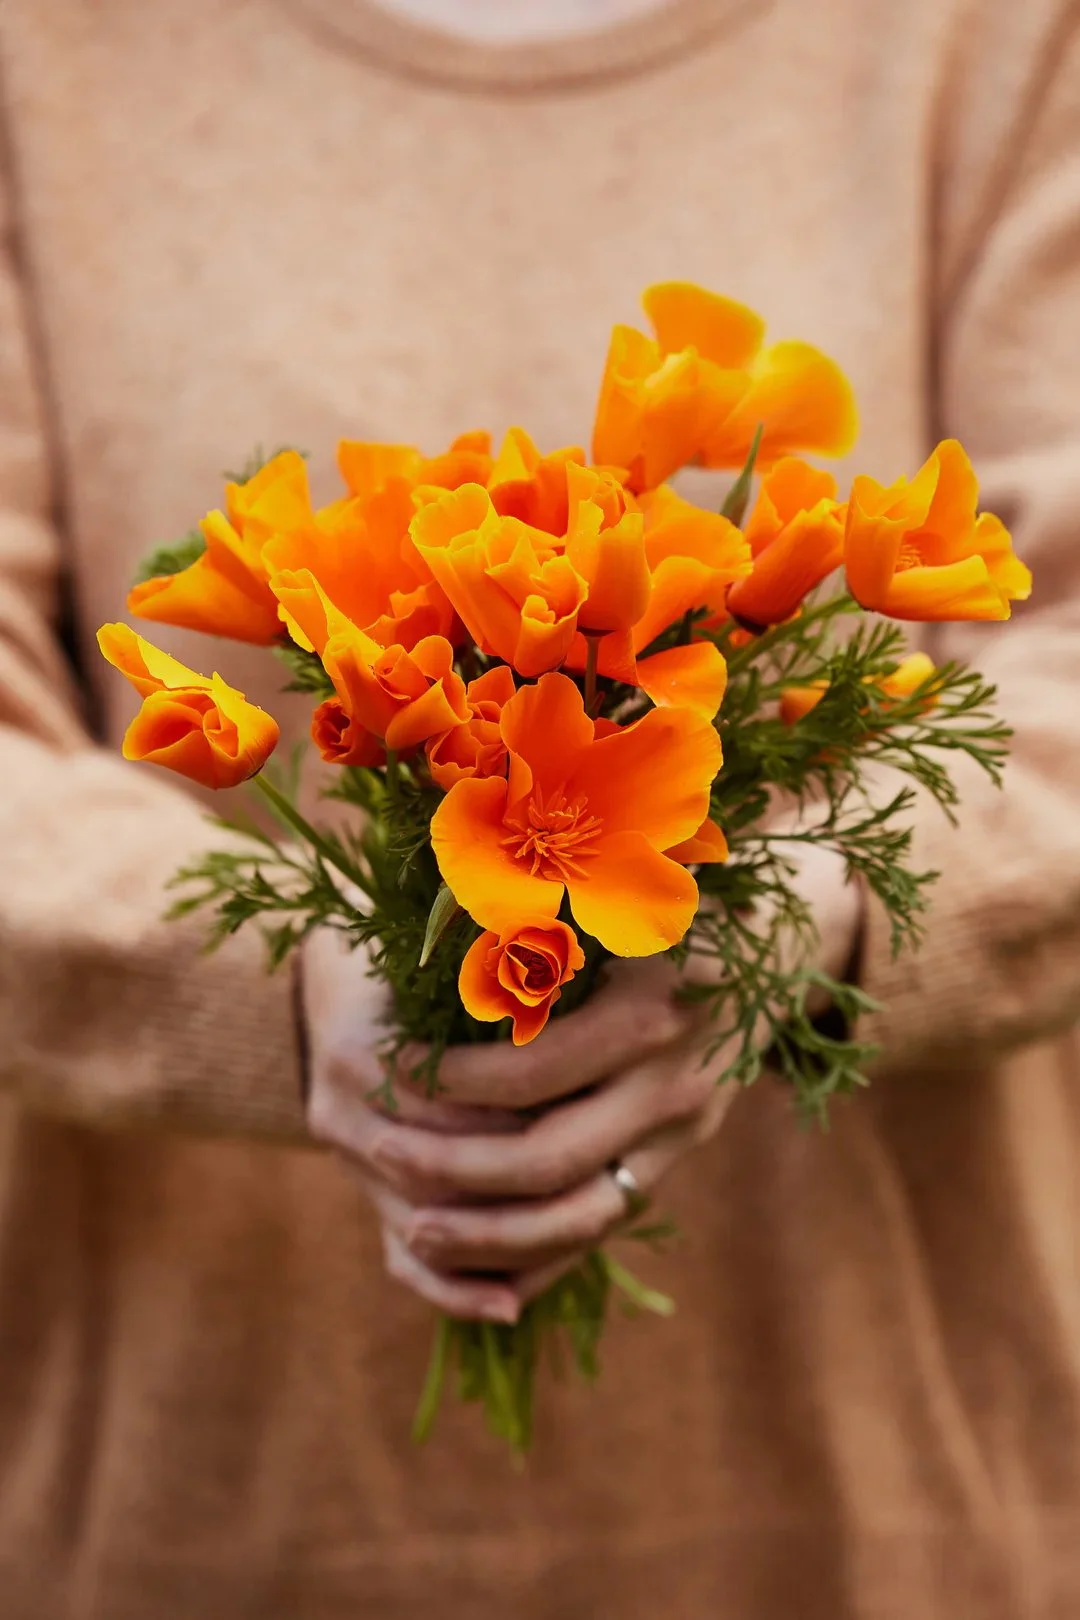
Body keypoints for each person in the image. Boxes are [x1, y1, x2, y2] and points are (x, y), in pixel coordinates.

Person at [0, 0, 1078, 1615]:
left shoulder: (1000, 33)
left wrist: (808, 915)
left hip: (883, 1521)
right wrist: (281, 990)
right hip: (200, 1523)